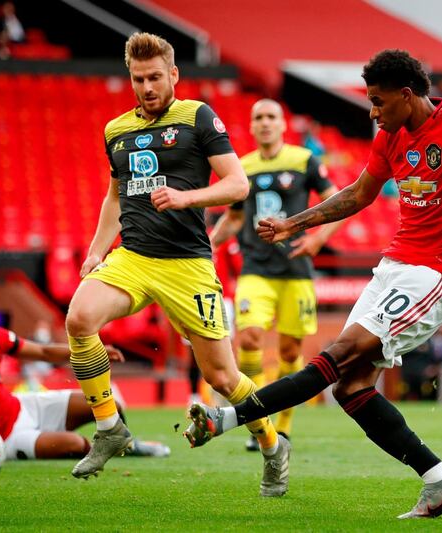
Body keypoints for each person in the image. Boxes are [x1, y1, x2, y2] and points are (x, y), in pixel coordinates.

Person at [185, 49, 442, 518]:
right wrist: (295, 224)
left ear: (406, 95)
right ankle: (441, 481)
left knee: (338, 355)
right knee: (350, 387)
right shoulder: (390, 136)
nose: (373, 112)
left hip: (436, 273)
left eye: (378, 102)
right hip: (395, 266)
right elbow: (359, 194)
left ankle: (224, 419)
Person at [63, 33, 288, 495]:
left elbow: (238, 185)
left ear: (173, 75)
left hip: (187, 264)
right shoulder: (116, 130)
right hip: (134, 257)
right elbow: (114, 196)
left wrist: (187, 197)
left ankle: (271, 445)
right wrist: (95, 250)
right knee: (79, 318)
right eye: (138, 79)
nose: (146, 87)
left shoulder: (197, 117)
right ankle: (110, 427)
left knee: (222, 377)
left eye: (155, 78)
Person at [210, 99, 342, 451]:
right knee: (250, 338)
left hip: (296, 270)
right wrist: (210, 244)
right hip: (256, 268)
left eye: (271, 117)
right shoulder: (243, 166)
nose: (265, 123)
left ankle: (283, 425)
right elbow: (235, 217)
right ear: (251, 127)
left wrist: (318, 239)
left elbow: (338, 203)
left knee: (289, 349)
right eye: (258, 118)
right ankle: (259, 420)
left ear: (283, 124)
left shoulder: (304, 160)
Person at [0, 302, 169, 463]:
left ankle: (127, 446)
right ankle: (103, 452)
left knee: (108, 402)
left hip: (24, 406)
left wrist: (87, 351)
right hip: (5, 438)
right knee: (76, 445)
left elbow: (43, 352)